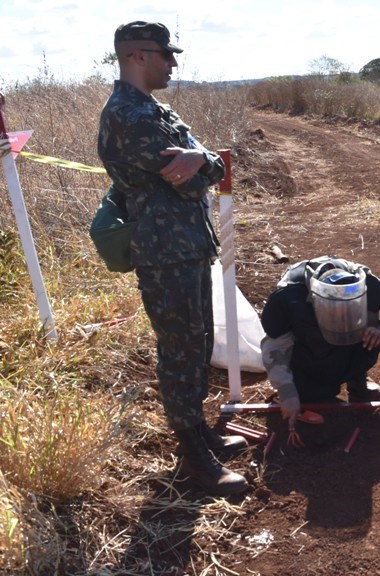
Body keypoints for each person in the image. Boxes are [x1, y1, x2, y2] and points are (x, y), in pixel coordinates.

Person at [97, 21, 246, 495]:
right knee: (179, 350)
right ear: (137, 56)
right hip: (162, 251)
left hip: (187, 244)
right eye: (165, 54)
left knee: (198, 343)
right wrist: (200, 161)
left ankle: (199, 431)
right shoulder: (127, 115)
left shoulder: (154, 109)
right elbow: (185, 174)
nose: (173, 63)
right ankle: (192, 454)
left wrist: (200, 157)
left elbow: (214, 164)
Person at [260, 257, 380, 428]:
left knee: (371, 329)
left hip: (353, 343)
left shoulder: (364, 280)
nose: (341, 319)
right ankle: (307, 385)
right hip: (311, 349)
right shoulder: (289, 297)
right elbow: (274, 347)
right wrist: (286, 389)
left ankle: (357, 378)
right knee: (316, 394)